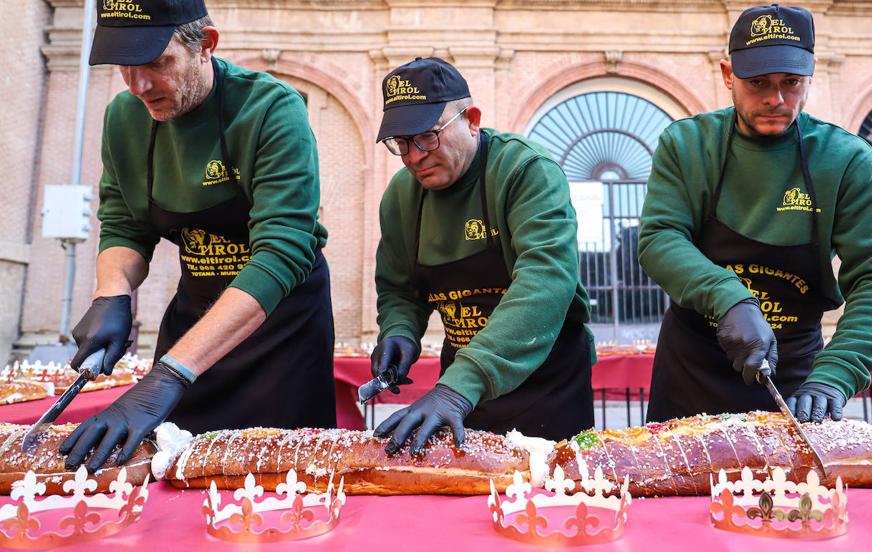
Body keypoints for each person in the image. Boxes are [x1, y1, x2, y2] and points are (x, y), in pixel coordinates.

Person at [60, 0, 335, 472]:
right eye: (125, 66)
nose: (138, 85)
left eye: (155, 62)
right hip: (194, 314)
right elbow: (125, 224)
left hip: (283, 329)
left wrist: (171, 372)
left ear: (205, 45)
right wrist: (113, 293)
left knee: (278, 478)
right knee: (174, 466)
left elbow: (281, 251)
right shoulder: (124, 118)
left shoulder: (271, 108)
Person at [637, 4, 872, 424]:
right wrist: (728, 298)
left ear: (811, 75)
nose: (775, 99)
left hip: (796, 376)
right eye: (757, 82)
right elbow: (660, 239)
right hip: (692, 369)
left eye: (791, 82)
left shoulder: (846, 160)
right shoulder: (688, 144)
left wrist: (836, 373)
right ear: (728, 74)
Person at [370, 58, 595, 454]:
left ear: (472, 120)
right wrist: (399, 330)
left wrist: (459, 387)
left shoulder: (525, 171)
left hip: (547, 383)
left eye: (427, 137)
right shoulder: (401, 196)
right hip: (462, 382)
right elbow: (399, 288)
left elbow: (545, 281)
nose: (413, 157)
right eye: (401, 143)